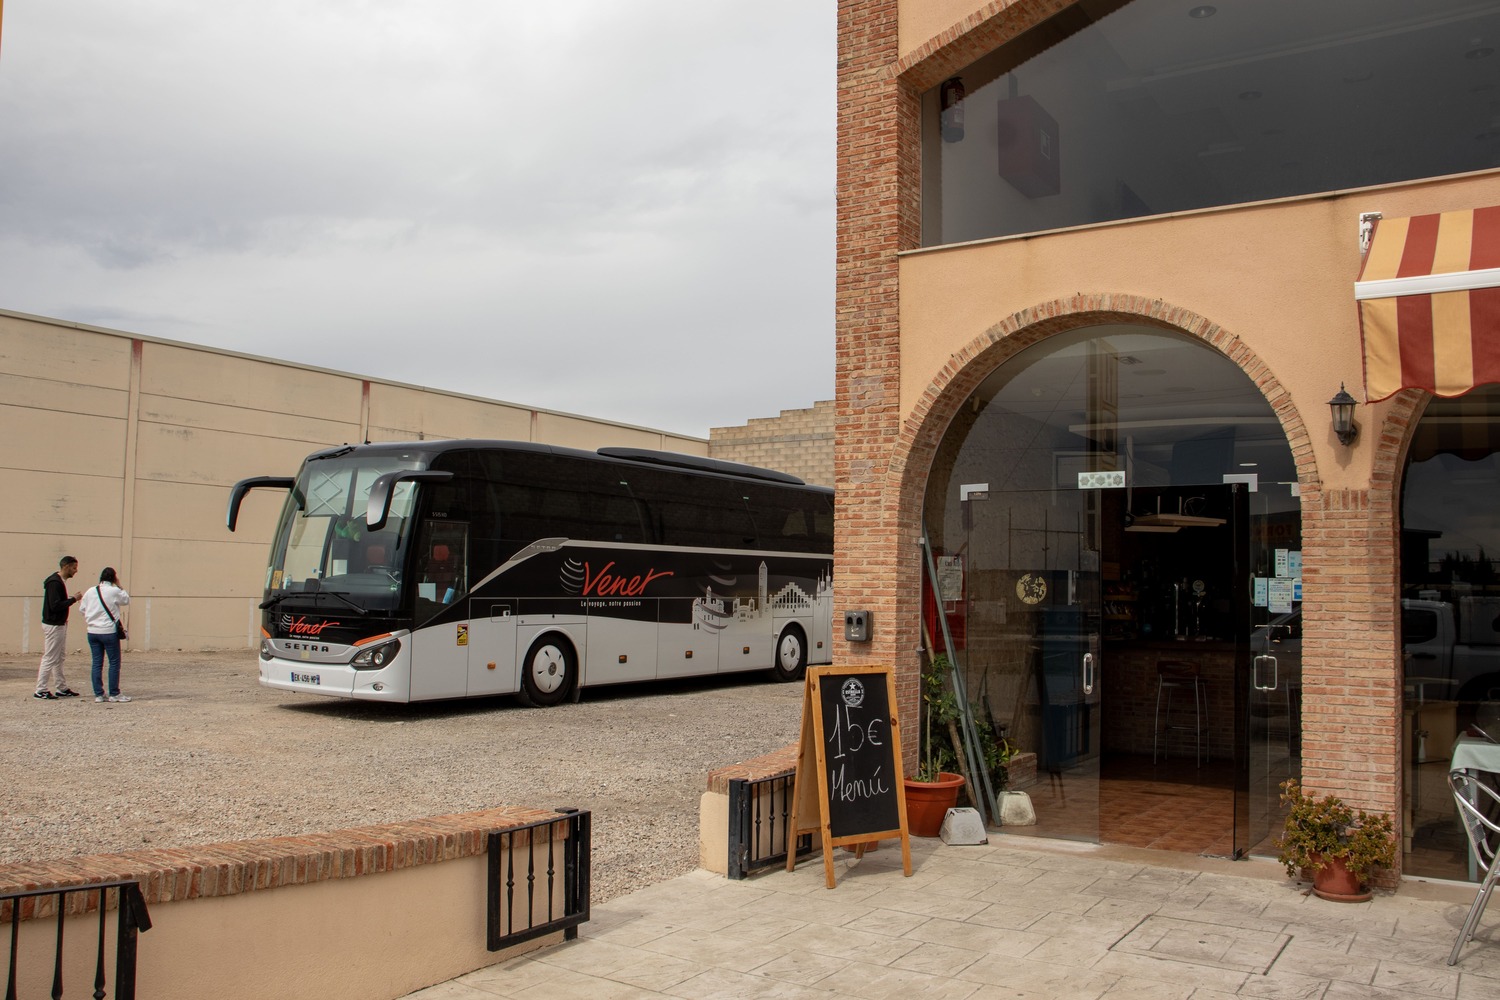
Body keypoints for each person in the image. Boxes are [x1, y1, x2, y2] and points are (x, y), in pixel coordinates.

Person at [79, 567, 132, 703]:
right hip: (108, 631)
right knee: (114, 662)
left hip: (92, 631)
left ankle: (99, 694)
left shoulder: (90, 591)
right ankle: (114, 693)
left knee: (97, 663)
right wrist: (119, 585)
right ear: (114, 578)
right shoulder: (114, 591)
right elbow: (126, 600)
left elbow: (82, 609)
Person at [35, 556, 83, 700]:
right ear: (66, 566)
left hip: (59, 624)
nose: (76, 571)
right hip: (54, 625)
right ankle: (41, 689)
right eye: (74, 567)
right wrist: (73, 599)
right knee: (50, 657)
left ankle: (61, 687)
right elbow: (55, 605)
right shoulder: (55, 583)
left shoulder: (58, 582)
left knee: (59, 657)